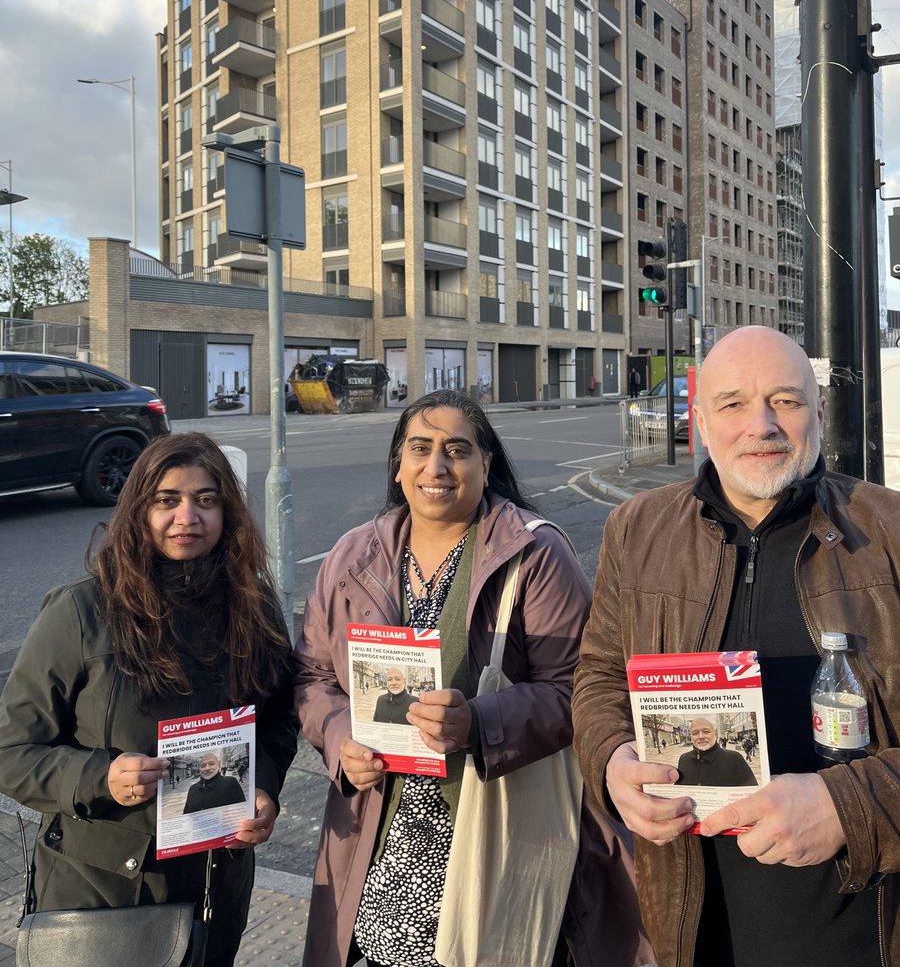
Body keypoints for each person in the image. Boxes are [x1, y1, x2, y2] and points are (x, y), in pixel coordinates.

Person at [573, 326, 900, 967]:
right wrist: (612, 763)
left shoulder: (891, 533)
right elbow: (599, 677)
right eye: (732, 404)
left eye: (785, 400)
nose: (762, 426)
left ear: (819, 413)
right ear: (699, 420)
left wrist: (849, 806)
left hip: (863, 934)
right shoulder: (635, 529)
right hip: (692, 928)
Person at [295, 389, 649, 967]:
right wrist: (339, 739)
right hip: (380, 848)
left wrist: (480, 722)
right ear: (398, 465)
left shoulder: (534, 554)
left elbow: (583, 689)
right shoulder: (349, 557)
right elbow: (312, 677)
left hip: (494, 841)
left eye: (457, 450)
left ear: (486, 464)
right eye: (420, 448)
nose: (437, 467)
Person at [0, 433, 299, 967]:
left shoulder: (255, 610)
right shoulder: (80, 611)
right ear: (139, 510)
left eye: (206, 500)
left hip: (213, 883)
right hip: (98, 894)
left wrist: (265, 789)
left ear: (227, 512)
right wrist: (101, 777)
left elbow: (276, 722)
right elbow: (11, 752)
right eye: (167, 500)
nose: (188, 516)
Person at [675, 717, 756, 787]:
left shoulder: (735, 759)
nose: (701, 736)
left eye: (706, 731)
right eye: (695, 733)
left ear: (715, 734)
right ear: (691, 737)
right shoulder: (683, 759)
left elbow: (753, 794)